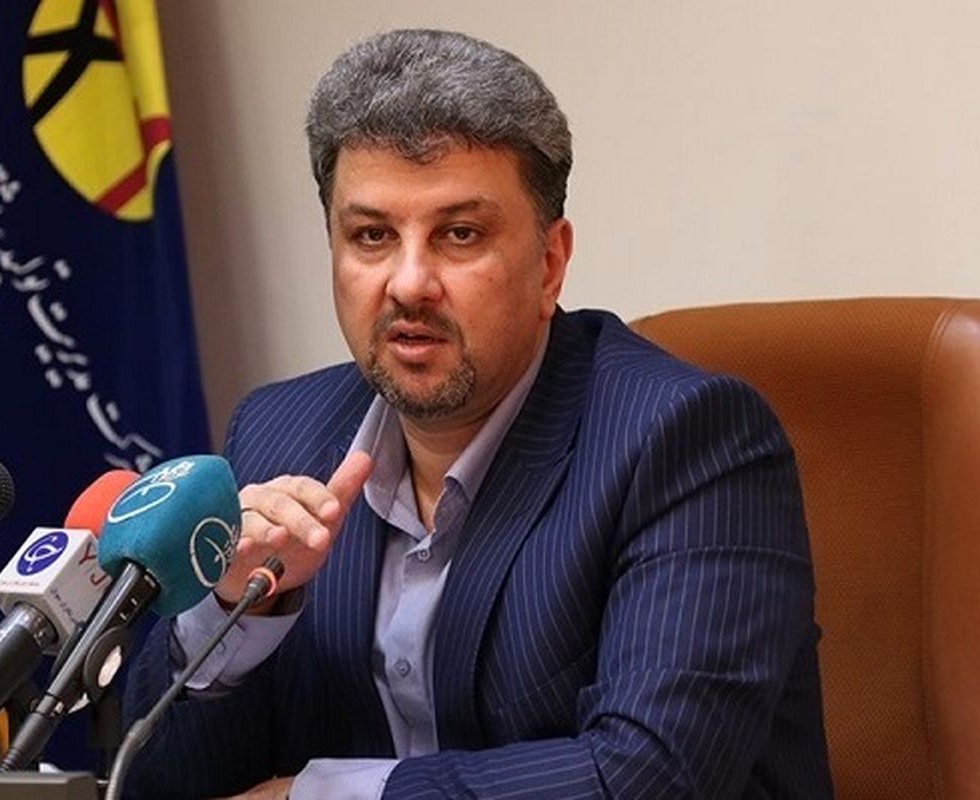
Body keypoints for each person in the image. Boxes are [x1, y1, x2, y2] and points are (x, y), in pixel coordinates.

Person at [124, 28, 833, 799]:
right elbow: (155, 782)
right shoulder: (278, 433)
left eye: (459, 235)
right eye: (371, 236)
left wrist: (318, 796)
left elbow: (649, 776)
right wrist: (234, 612)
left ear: (550, 264)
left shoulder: (687, 440)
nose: (409, 283)